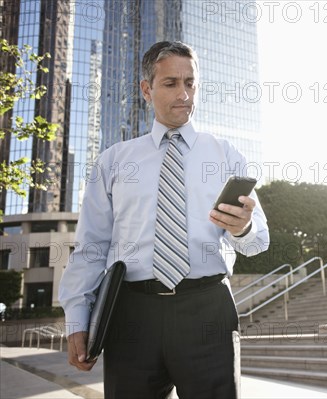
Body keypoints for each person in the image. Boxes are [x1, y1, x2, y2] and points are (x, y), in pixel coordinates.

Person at [59, 40, 269, 399]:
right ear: (146, 89)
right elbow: (92, 245)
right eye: (171, 83)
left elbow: (257, 242)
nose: (184, 93)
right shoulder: (113, 161)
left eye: (190, 83)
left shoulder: (225, 154)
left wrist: (242, 226)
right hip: (131, 313)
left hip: (207, 310)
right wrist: (77, 319)